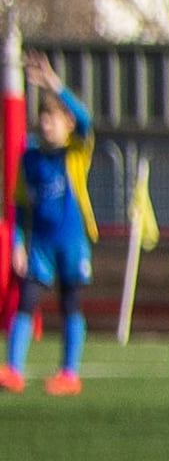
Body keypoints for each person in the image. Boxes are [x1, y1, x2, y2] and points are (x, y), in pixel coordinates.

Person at [7, 53, 94, 398]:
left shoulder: (75, 152)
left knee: (70, 302)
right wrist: (17, 242)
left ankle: (69, 373)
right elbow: (19, 205)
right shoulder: (28, 158)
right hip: (40, 243)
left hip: (71, 242)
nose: (47, 125)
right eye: (44, 119)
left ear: (67, 124)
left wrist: (54, 84)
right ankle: (13, 369)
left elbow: (86, 118)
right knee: (25, 300)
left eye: (54, 119)